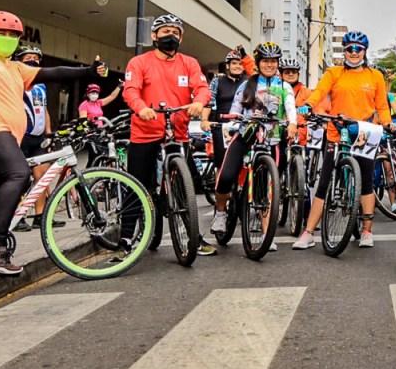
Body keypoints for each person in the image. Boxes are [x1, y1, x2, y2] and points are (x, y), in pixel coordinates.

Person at [0, 11, 106, 275]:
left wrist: (89, 71)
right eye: (1, 33)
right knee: (20, 174)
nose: (7, 38)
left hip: (3, 136)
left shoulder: (14, 67)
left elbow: (53, 72)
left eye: (13, 35)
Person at [294, 30, 393, 250]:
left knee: (366, 182)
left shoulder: (375, 76)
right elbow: (320, 92)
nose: (354, 52)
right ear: (344, 51)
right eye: (350, 48)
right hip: (336, 132)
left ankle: (367, 230)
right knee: (324, 182)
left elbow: (382, 106)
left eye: (359, 49)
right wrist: (309, 105)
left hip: (365, 133)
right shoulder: (334, 72)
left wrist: (387, 122)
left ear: (365, 52)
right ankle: (309, 232)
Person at [121, 14, 211, 253]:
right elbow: (130, 91)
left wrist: (199, 103)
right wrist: (141, 108)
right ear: (154, 36)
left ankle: (193, 236)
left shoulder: (189, 63)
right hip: (145, 132)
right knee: (136, 184)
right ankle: (126, 239)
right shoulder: (139, 62)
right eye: (164, 31)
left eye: (175, 32)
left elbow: (202, 89)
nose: (169, 36)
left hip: (177, 133)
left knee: (187, 186)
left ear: (181, 38)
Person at [210, 43, 297, 243]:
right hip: (245, 135)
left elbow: (291, 107)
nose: (269, 65)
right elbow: (235, 108)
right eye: (265, 61)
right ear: (258, 63)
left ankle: (267, 234)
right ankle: (221, 213)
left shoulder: (284, 86)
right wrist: (232, 122)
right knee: (226, 176)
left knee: (268, 187)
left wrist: (292, 124)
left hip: (272, 139)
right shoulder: (247, 84)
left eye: (273, 61)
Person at [13, 45, 55, 232]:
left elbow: (44, 110)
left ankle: (40, 216)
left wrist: (48, 132)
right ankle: (17, 216)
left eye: (36, 58)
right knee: (20, 178)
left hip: (38, 138)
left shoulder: (42, 85)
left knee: (42, 178)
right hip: (21, 136)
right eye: (28, 57)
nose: (33, 60)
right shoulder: (15, 81)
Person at [206, 48, 256, 171]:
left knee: (245, 162)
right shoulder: (217, 81)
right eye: (234, 63)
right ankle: (222, 188)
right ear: (227, 66)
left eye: (240, 63)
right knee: (223, 165)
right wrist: (204, 120)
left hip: (244, 126)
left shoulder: (249, 81)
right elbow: (209, 101)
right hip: (222, 126)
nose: (237, 66)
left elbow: (258, 72)